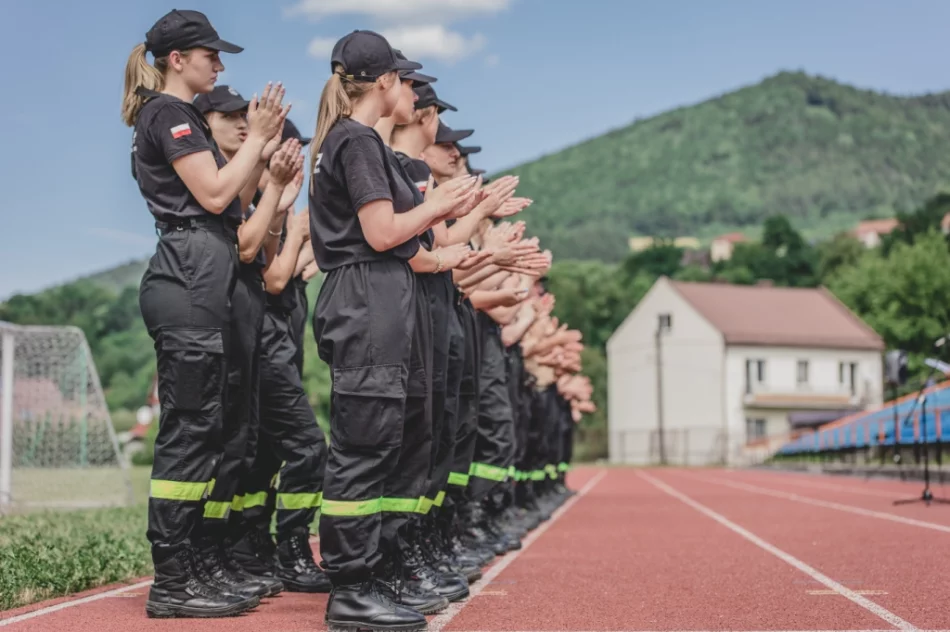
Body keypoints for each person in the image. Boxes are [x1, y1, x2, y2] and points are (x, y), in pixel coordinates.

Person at [308, 29, 479, 630]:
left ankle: (372, 572)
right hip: (365, 295)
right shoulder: (354, 141)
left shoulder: (359, 142)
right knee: (364, 443)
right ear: (382, 82)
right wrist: (444, 205)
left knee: (388, 440)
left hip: (382, 295)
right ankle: (350, 587)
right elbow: (383, 233)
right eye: (401, 78)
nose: (406, 87)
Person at [122, 9, 287, 618]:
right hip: (187, 273)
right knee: (190, 432)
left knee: (215, 434)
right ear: (177, 60)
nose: (219, 65)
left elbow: (232, 201)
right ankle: (172, 580)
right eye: (210, 55)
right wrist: (262, 139)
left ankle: (198, 562)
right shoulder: (166, 113)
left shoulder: (186, 116)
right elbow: (216, 196)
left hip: (206, 270)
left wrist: (266, 169)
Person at [192, 84, 298, 602]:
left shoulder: (247, 180)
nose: (242, 123)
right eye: (229, 115)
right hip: (223, 311)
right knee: (221, 444)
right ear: (203, 122)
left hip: (249, 316)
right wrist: (278, 198)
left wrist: (278, 203)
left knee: (246, 446)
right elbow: (257, 255)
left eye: (246, 115)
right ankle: (205, 556)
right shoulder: (221, 178)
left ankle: (228, 553)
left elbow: (264, 249)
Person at [231, 119, 333, 594]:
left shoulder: (274, 207)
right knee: (309, 450)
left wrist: (308, 240)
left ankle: (253, 545)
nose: (295, 167)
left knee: (265, 457)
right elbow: (273, 278)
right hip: (265, 349)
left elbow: (295, 272)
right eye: (288, 156)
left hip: (282, 348)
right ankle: (291, 546)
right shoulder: (257, 205)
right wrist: (294, 231)